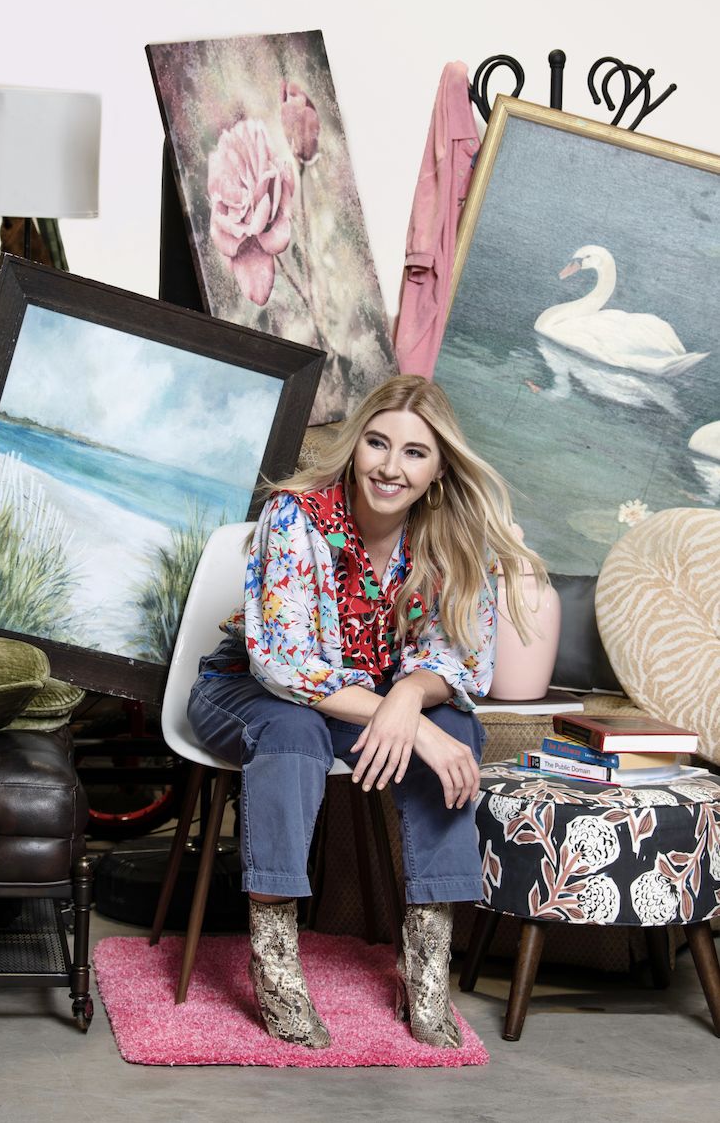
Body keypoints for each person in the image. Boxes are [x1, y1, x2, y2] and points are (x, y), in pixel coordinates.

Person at [188, 374, 546, 1049]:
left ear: (439, 468)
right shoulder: (295, 517)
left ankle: (429, 965)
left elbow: (465, 664)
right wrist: (396, 711)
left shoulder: (448, 539)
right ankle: (275, 962)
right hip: (244, 691)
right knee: (292, 729)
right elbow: (284, 667)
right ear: (355, 448)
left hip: (359, 707)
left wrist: (408, 700)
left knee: (455, 726)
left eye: (414, 452)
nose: (389, 465)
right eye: (377, 443)